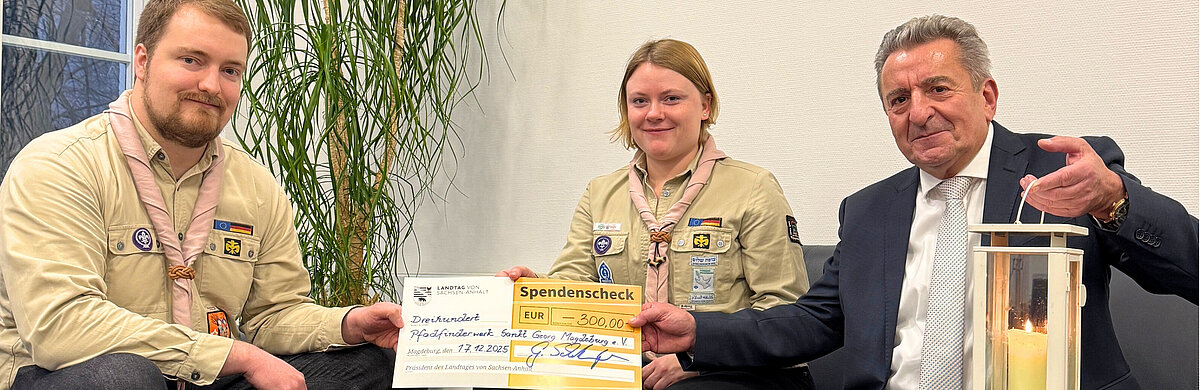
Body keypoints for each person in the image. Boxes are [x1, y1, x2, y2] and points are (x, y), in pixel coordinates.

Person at [630, 15, 1198, 390]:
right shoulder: (870, 210)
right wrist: (698, 332)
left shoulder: (1067, 170)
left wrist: (1115, 202)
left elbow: (1191, 267)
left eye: (939, 89)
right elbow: (813, 322)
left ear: (987, 95)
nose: (918, 111)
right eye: (898, 99)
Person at [0, 0, 404, 389]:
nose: (211, 85)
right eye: (191, 60)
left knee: (366, 363)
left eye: (230, 70)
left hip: (202, 379)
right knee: (123, 377)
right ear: (142, 62)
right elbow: (62, 328)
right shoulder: (59, 166)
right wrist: (237, 356)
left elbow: (273, 315)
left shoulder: (256, 186)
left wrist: (350, 324)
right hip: (60, 374)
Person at [496, 39, 813, 390]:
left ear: (705, 105)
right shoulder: (600, 193)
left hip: (733, 373)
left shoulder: (753, 187)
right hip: (624, 369)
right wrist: (533, 288)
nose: (654, 113)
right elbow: (576, 290)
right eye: (639, 101)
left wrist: (696, 359)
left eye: (671, 98)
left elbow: (785, 312)